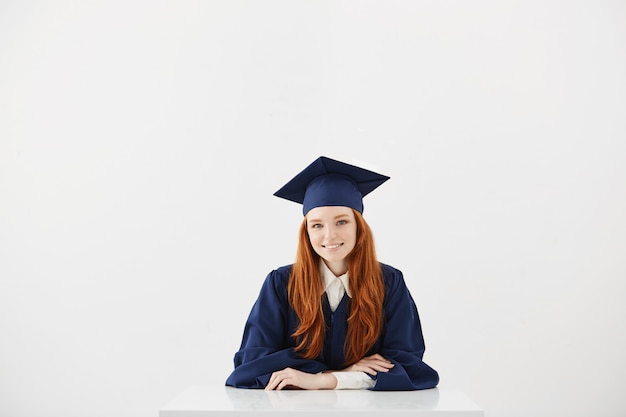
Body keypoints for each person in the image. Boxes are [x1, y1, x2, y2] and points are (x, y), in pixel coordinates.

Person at [225, 156, 439, 391]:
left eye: (341, 222)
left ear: (359, 226)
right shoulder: (281, 284)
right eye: (317, 225)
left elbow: (410, 367)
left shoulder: (388, 283)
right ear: (306, 232)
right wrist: (340, 374)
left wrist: (322, 380)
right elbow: (250, 367)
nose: (330, 236)